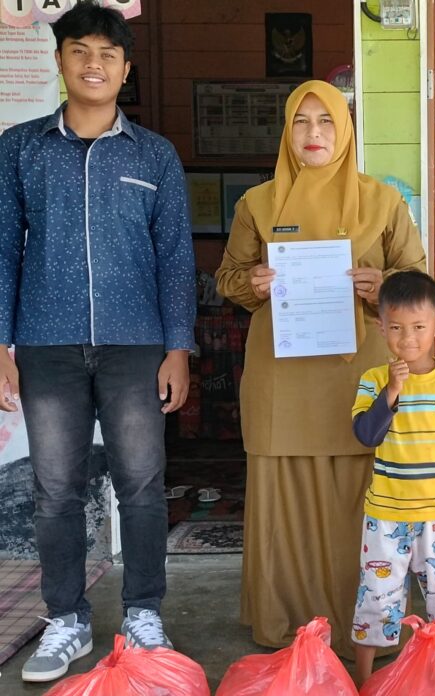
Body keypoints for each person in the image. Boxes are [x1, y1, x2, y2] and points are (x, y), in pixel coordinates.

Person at [0, 2, 195, 683]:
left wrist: (178, 347)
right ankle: (66, 619)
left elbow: (175, 256)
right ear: (59, 60)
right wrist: (1, 344)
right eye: (80, 51)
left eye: (108, 54)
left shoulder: (153, 154)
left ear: (125, 69)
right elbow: (3, 249)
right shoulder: (20, 148)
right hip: (46, 343)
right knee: (55, 490)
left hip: (135, 345)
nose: (94, 64)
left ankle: (143, 612)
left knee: (141, 484)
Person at [214, 80, 427, 658]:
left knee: (360, 496)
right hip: (282, 379)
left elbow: (418, 282)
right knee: (282, 496)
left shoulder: (382, 202)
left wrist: (384, 286)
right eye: (302, 122)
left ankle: (365, 622)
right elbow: (227, 277)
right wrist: (252, 283)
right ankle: (286, 621)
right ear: (287, 132)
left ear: (346, 129)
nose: (314, 133)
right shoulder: (257, 203)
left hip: (358, 376)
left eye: (326, 120)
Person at [349, 270, 435, 685]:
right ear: (381, 327)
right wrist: (391, 392)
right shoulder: (373, 380)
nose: (407, 338)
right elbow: (366, 435)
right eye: (396, 328)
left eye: (418, 327)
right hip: (386, 516)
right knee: (376, 601)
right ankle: (363, 682)